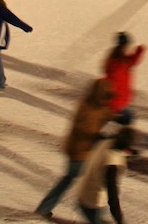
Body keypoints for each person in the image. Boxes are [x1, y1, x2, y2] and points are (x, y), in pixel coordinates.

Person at [35, 78, 115, 219]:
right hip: (80, 153)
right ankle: (94, 216)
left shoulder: (90, 104)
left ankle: (44, 207)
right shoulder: (93, 109)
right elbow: (87, 130)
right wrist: (100, 136)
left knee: (68, 181)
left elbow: (106, 116)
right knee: (91, 184)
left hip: (78, 151)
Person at [75, 126, 136, 224]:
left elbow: (117, 148)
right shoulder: (111, 165)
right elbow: (112, 193)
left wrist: (131, 152)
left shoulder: (108, 141)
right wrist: (119, 219)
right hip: (92, 200)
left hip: (85, 190)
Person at [104, 32, 146, 121]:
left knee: (130, 118)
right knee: (128, 119)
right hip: (116, 105)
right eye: (128, 45)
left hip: (121, 102)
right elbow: (112, 80)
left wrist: (138, 52)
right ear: (123, 46)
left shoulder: (122, 58)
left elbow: (132, 61)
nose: (130, 47)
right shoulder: (117, 62)